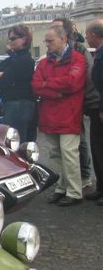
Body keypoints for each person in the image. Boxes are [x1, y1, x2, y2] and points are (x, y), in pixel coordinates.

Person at [32, 25, 87, 207]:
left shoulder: (77, 59)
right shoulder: (45, 63)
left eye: (50, 41)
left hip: (68, 115)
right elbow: (36, 85)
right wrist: (56, 91)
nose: (46, 44)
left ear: (63, 39)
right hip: (52, 114)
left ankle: (74, 191)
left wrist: (48, 85)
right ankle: (62, 188)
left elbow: (72, 83)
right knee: (55, 154)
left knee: (69, 154)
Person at [51, 18, 94, 188]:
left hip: (77, 101)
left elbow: (86, 77)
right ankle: (67, 179)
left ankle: (84, 175)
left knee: (80, 140)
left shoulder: (79, 50)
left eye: (56, 28)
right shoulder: (53, 52)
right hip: (60, 104)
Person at [0, 24, 37, 142]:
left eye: (13, 39)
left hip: (20, 105)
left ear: (24, 39)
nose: (10, 42)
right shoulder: (12, 59)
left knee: (16, 142)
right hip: (11, 103)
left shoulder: (25, 60)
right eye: (9, 39)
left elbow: (3, 81)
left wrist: (0, 76)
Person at [84, 19, 103, 205]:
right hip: (96, 107)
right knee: (97, 150)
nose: (86, 37)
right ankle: (100, 187)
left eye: (88, 34)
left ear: (95, 35)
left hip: (100, 108)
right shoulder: (98, 53)